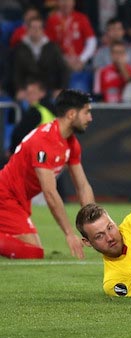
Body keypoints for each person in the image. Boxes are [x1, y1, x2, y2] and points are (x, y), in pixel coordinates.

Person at [0, 89, 95, 259]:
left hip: (20, 199)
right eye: (87, 112)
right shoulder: (44, 141)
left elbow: (82, 186)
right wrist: (69, 233)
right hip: (5, 195)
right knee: (33, 252)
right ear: (72, 114)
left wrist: (94, 226)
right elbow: (50, 192)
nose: (90, 118)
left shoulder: (71, 142)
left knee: (31, 249)